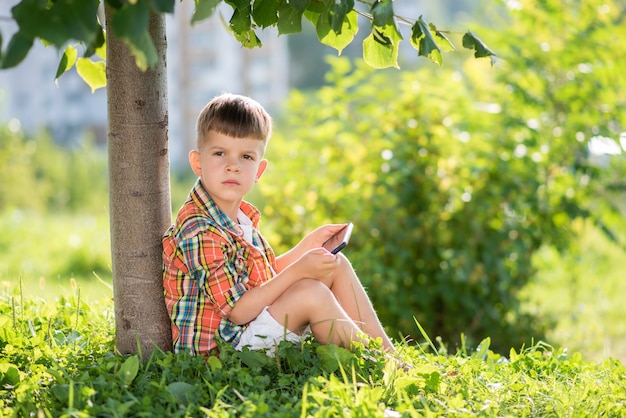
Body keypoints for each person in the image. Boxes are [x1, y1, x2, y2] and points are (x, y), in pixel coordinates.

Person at [162, 93, 394, 357]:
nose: (233, 166)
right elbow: (237, 311)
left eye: (246, 157)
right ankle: (382, 364)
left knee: (335, 264)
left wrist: (305, 250)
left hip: (245, 330)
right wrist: (298, 272)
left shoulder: (236, 216)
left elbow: (260, 279)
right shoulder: (199, 229)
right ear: (197, 163)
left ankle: (388, 353)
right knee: (310, 293)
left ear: (259, 171)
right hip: (223, 352)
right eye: (219, 153)